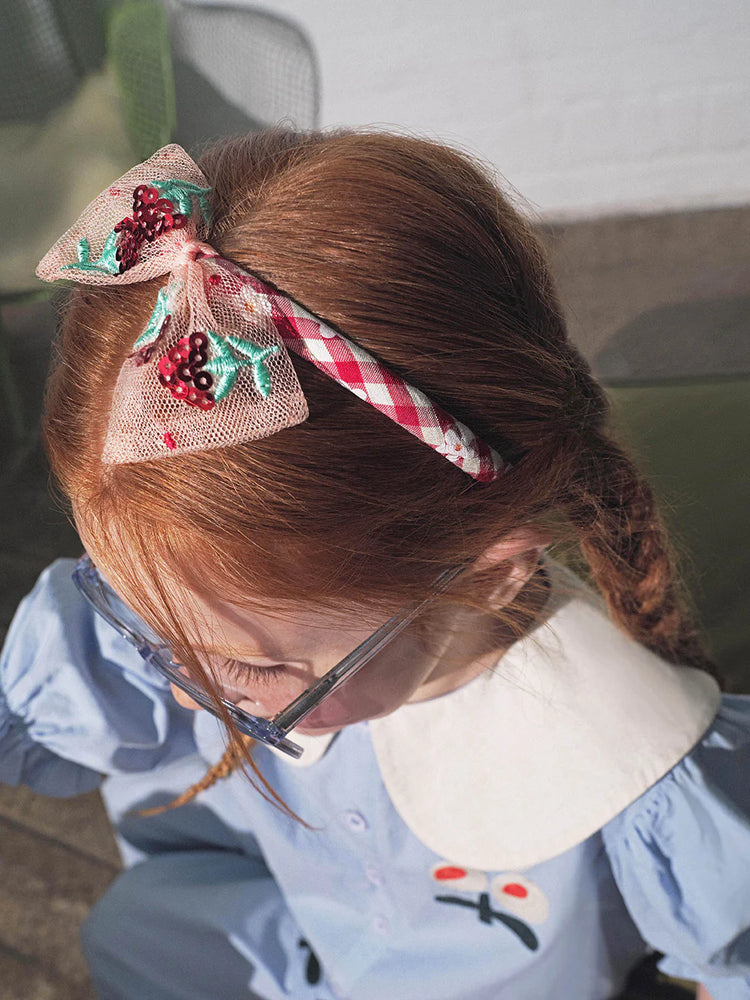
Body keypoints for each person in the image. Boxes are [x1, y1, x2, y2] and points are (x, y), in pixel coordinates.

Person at [1, 129, 747, 1000]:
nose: (174, 686)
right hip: (295, 937)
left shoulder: (628, 757)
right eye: (133, 611)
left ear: (485, 574)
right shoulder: (218, 611)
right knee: (138, 934)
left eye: (252, 667)